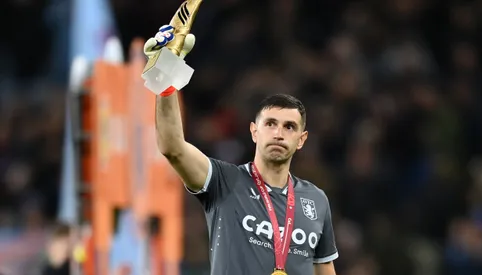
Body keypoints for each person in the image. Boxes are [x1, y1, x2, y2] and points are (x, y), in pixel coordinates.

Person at [144, 25, 339, 275]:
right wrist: (166, 76)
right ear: (254, 131)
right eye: (270, 124)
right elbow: (173, 147)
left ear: (301, 140)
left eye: (289, 127)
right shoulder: (224, 182)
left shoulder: (316, 201)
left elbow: (324, 269)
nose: (279, 134)